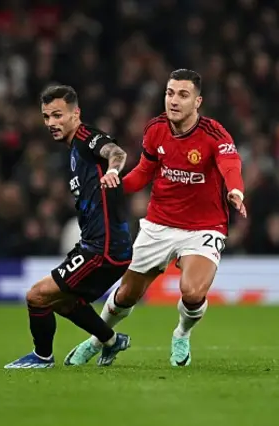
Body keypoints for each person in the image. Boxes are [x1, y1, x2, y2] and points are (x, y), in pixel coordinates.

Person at [65, 69, 247, 367]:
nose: (174, 100)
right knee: (126, 294)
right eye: (170, 93)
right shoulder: (155, 129)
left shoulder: (215, 134)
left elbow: (230, 165)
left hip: (204, 226)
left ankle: (182, 334)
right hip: (158, 224)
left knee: (192, 291)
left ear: (197, 102)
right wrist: (117, 187)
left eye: (183, 95)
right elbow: (144, 172)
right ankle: (98, 339)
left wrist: (235, 191)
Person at [4, 85, 133, 368]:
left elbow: (116, 152)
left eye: (58, 115)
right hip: (98, 244)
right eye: (46, 117)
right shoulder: (73, 150)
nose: (51, 123)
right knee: (62, 301)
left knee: (37, 296)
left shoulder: (87, 137)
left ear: (76, 114)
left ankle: (42, 357)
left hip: (103, 247)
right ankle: (111, 341)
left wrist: (113, 170)